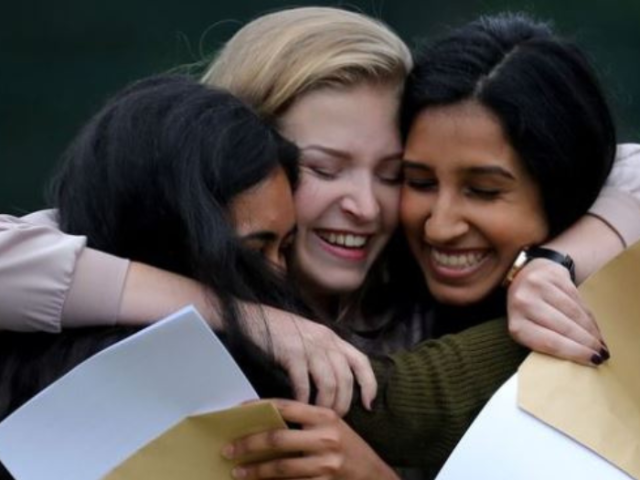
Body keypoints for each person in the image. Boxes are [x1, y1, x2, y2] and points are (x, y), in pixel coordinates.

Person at [221, 11, 629, 480]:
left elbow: (630, 169)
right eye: (417, 180)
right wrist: (238, 313)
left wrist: (553, 264)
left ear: (563, 190)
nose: (438, 227)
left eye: (483, 190)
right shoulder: (391, 281)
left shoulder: (595, 316)